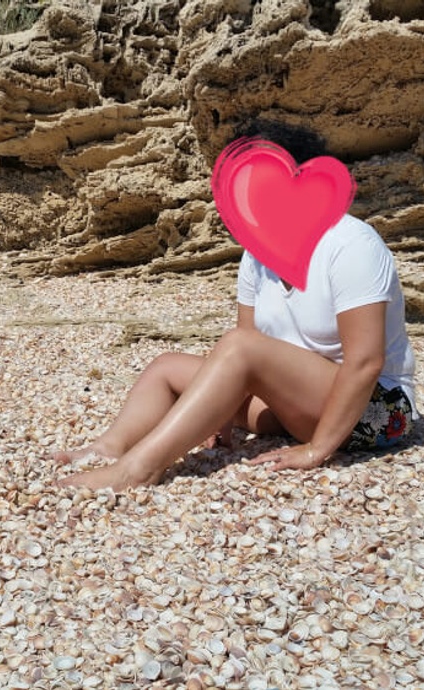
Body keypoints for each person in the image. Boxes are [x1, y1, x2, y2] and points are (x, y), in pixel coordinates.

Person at [55, 120, 419, 491]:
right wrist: (220, 409)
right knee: (166, 368)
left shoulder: (350, 244)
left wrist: (316, 450)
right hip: (297, 404)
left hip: (376, 411)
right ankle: (107, 449)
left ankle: (137, 470)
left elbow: (365, 362)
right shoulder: (257, 254)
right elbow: (247, 345)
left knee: (240, 347)